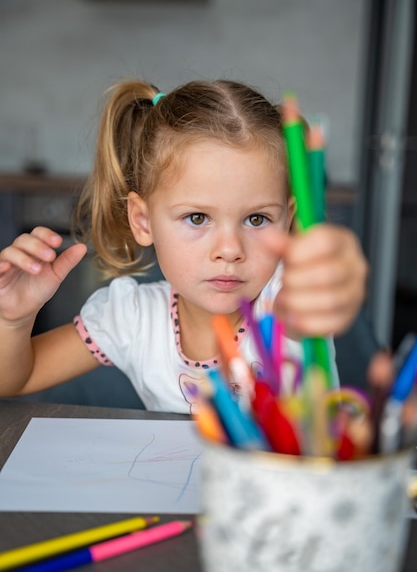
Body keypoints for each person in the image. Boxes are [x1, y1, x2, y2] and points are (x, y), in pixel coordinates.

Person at [0, 79, 367, 413]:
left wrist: (331, 271)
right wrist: (12, 320)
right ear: (143, 221)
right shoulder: (130, 318)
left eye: (256, 219)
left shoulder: (285, 301)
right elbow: (15, 380)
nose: (229, 249)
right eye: (197, 218)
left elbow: (320, 294)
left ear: (287, 220)